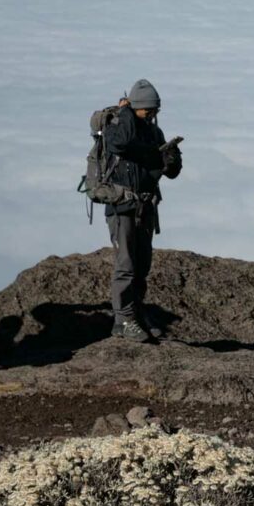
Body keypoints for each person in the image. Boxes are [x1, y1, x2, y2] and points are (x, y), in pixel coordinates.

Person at [104, 79, 182, 342]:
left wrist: (172, 161)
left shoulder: (153, 133)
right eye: (147, 110)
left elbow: (167, 172)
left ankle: (136, 311)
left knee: (142, 264)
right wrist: (126, 112)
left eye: (155, 110)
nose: (152, 115)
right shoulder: (117, 127)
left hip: (145, 206)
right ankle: (123, 319)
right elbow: (120, 145)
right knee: (125, 264)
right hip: (122, 206)